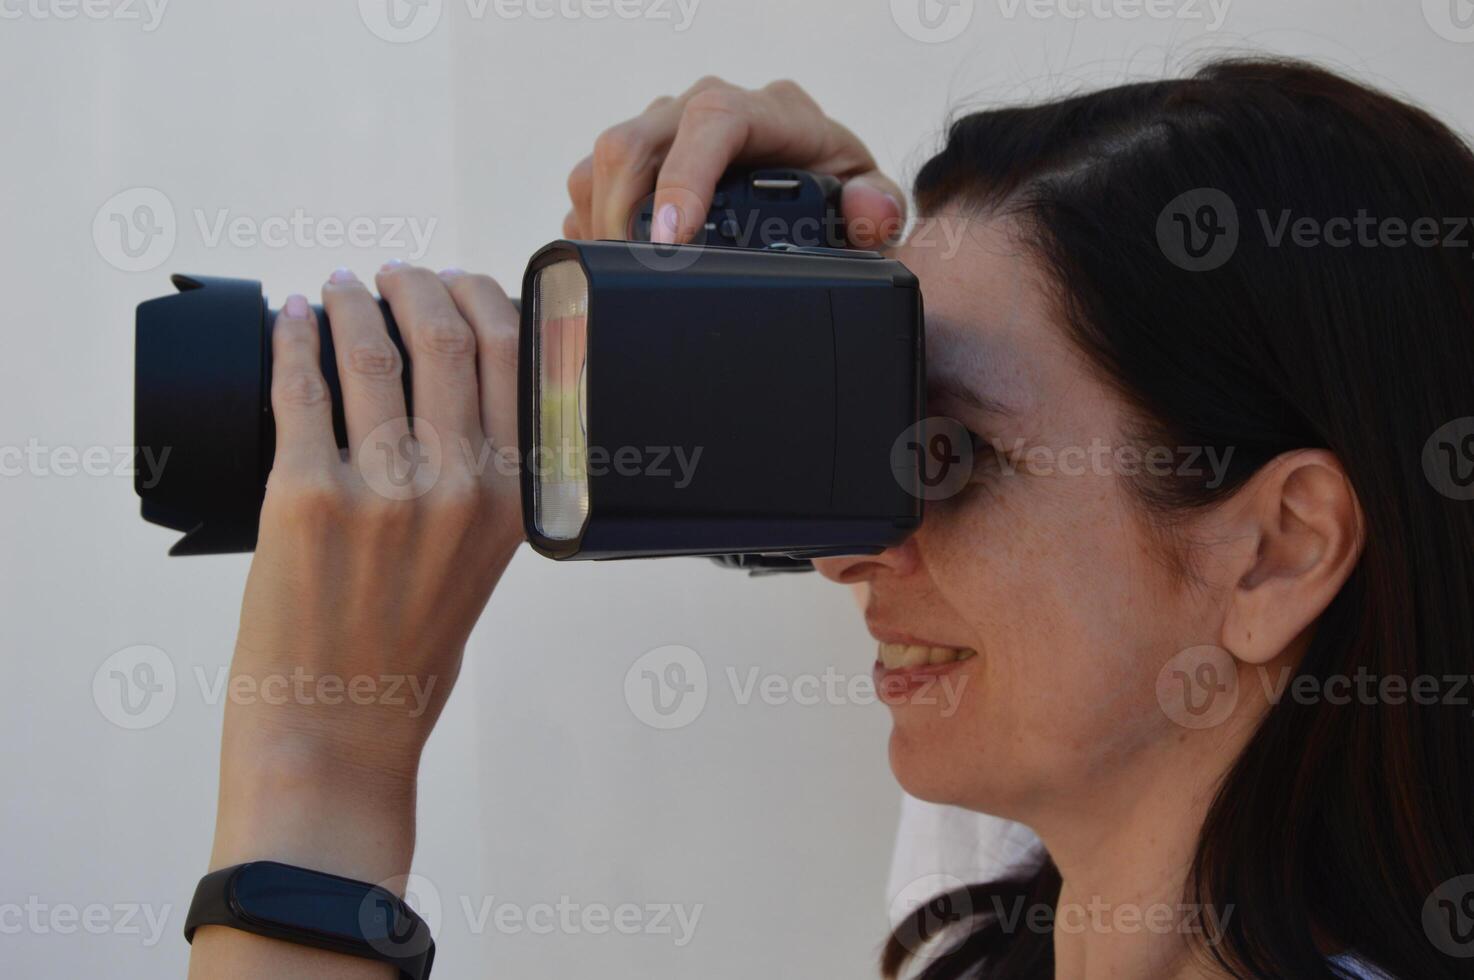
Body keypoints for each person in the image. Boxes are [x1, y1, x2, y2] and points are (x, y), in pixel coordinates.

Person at [186, 60, 1474, 979]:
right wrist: (797, 266)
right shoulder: (1004, 913)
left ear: (1277, 547)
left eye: (944, 453)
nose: (850, 549)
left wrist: (316, 783)